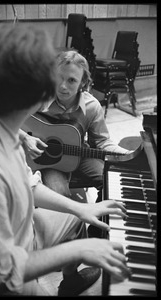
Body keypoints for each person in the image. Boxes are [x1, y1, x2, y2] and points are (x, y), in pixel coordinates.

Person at [0, 22, 130, 297]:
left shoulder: (1, 124)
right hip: (9, 281)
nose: (60, 88)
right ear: (41, 96)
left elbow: (28, 185)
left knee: (76, 216)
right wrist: (80, 248)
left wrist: (80, 209)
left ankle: (71, 280)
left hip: (25, 229)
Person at [20, 50, 132, 237]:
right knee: (61, 198)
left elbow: (102, 142)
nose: (63, 86)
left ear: (83, 83)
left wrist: (128, 153)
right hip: (47, 161)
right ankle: (69, 246)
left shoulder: (91, 106)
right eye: (58, 78)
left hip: (80, 155)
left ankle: (98, 231)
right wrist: (25, 138)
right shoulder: (38, 98)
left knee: (110, 177)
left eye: (71, 80)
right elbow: (2, 120)